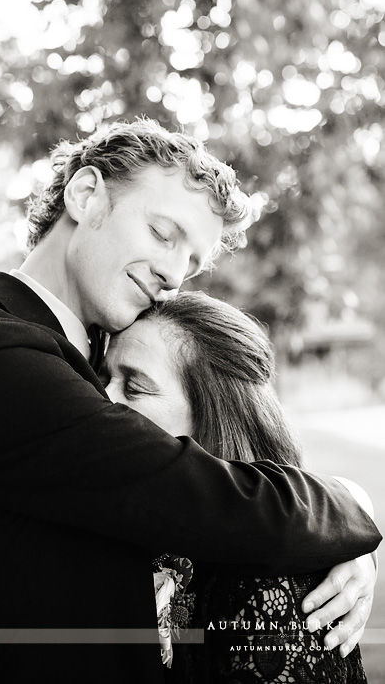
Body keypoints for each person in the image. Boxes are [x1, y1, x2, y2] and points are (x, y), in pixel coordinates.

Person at [0, 119, 381, 684]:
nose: (173, 275)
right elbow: (211, 500)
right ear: (86, 196)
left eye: (191, 261)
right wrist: (351, 504)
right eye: (163, 233)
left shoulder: (77, 356)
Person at [102, 290, 374, 681]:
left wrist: (356, 537)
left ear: (212, 417)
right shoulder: (114, 516)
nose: (101, 399)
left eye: (134, 387)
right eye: (103, 377)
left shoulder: (273, 587)